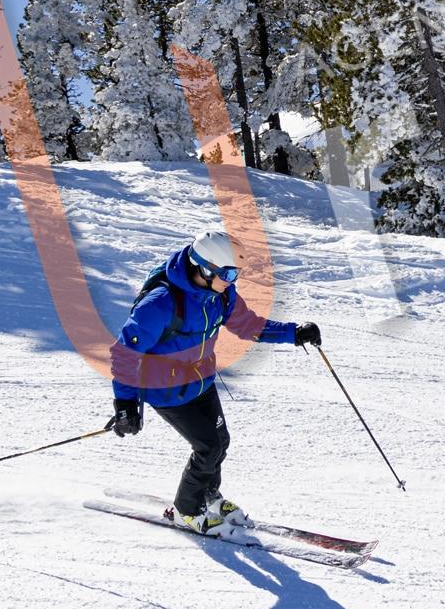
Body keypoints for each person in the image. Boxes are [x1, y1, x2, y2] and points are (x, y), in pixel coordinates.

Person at [106, 228, 320, 534]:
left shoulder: (220, 295)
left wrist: (293, 333)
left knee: (220, 442)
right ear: (204, 270)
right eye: (229, 274)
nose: (234, 281)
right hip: (165, 390)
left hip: (201, 380)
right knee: (206, 447)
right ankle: (185, 510)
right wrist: (125, 404)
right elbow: (125, 353)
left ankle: (207, 494)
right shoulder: (161, 304)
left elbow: (248, 326)